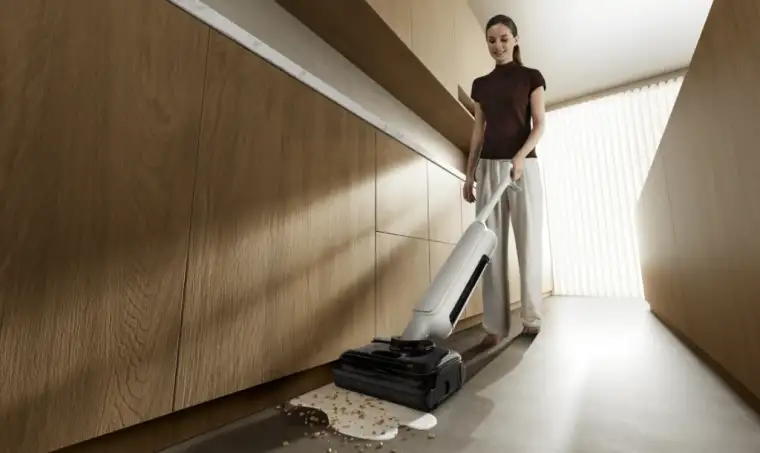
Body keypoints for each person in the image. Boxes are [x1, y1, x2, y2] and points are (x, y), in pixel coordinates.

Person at [463, 14, 547, 347]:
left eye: (503, 39)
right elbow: (477, 133)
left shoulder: (531, 77)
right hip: (488, 169)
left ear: (515, 39)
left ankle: (531, 319)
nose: (497, 46)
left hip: (524, 166)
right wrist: (469, 175)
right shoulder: (480, 85)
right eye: (491, 40)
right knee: (490, 248)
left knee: (528, 242)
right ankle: (494, 326)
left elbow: (539, 124)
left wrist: (521, 156)